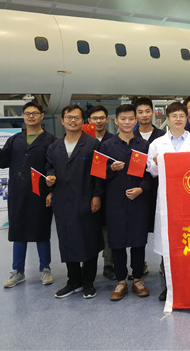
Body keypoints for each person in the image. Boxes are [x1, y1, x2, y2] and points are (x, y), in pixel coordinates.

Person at [0, 101, 57, 288]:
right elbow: (3, 161)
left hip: (40, 192)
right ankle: (18, 271)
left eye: (35, 113)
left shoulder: (51, 141)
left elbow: (54, 167)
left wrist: (51, 192)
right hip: (18, 192)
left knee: (41, 231)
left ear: (41, 116)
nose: (31, 116)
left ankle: (45, 268)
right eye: (27, 113)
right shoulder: (15, 140)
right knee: (18, 232)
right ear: (23, 116)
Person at [147, 102, 190, 301]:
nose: (178, 119)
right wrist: (156, 162)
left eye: (181, 116)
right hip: (167, 199)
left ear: (186, 118)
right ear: (167, 119)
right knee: (168, 242)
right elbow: (151, 171)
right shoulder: (157, 144)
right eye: (174, 116)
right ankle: (169, 286)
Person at [46, 104, 103, 299]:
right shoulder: (54, 147)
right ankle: (73, 280)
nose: (73, 121)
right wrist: (50, 180)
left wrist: (97, 195)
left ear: (83, 121)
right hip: (62, 200)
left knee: (89, 240)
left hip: (86, 198)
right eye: (69, 117)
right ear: (62, 121)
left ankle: (88, 282)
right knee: (67, 240)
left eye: (77, 117)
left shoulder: (92, 144)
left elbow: (98, 173)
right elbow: (49, 168)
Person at [97, 104, 151, 300]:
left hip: (138, 200)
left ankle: (137, 279)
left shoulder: (143, 145)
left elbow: (151, 174)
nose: (127, 122)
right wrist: (111, 169)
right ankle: (121, 281)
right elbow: (97, 174)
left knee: (138, 240)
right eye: (123, 119)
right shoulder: (106, 146)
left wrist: (141, 188)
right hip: (115, 200)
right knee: (117, 241)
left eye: (130, 119)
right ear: (116, 121)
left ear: (135, 121)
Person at [132, 97, 166, 278]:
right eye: (140, 112)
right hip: (139, 191)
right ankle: (140, 265)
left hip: (161, 189)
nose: (144, 115)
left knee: (163, 227)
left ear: (153, 113)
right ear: (135, 115)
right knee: (139, 229)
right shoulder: (131, 137)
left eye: (147, 111)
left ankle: (164, 263)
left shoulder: (163, 136)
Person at [88, 105, 116, 280]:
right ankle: (88, 265)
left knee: (108, 230)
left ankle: (108, 264)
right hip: (85, 191)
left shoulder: (113, 141)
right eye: (94, 118)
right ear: (89, 120)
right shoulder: (83, 140)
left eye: (101, 118)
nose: (98, 121)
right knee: (88, 229)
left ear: (107, 119)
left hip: (108, 192)